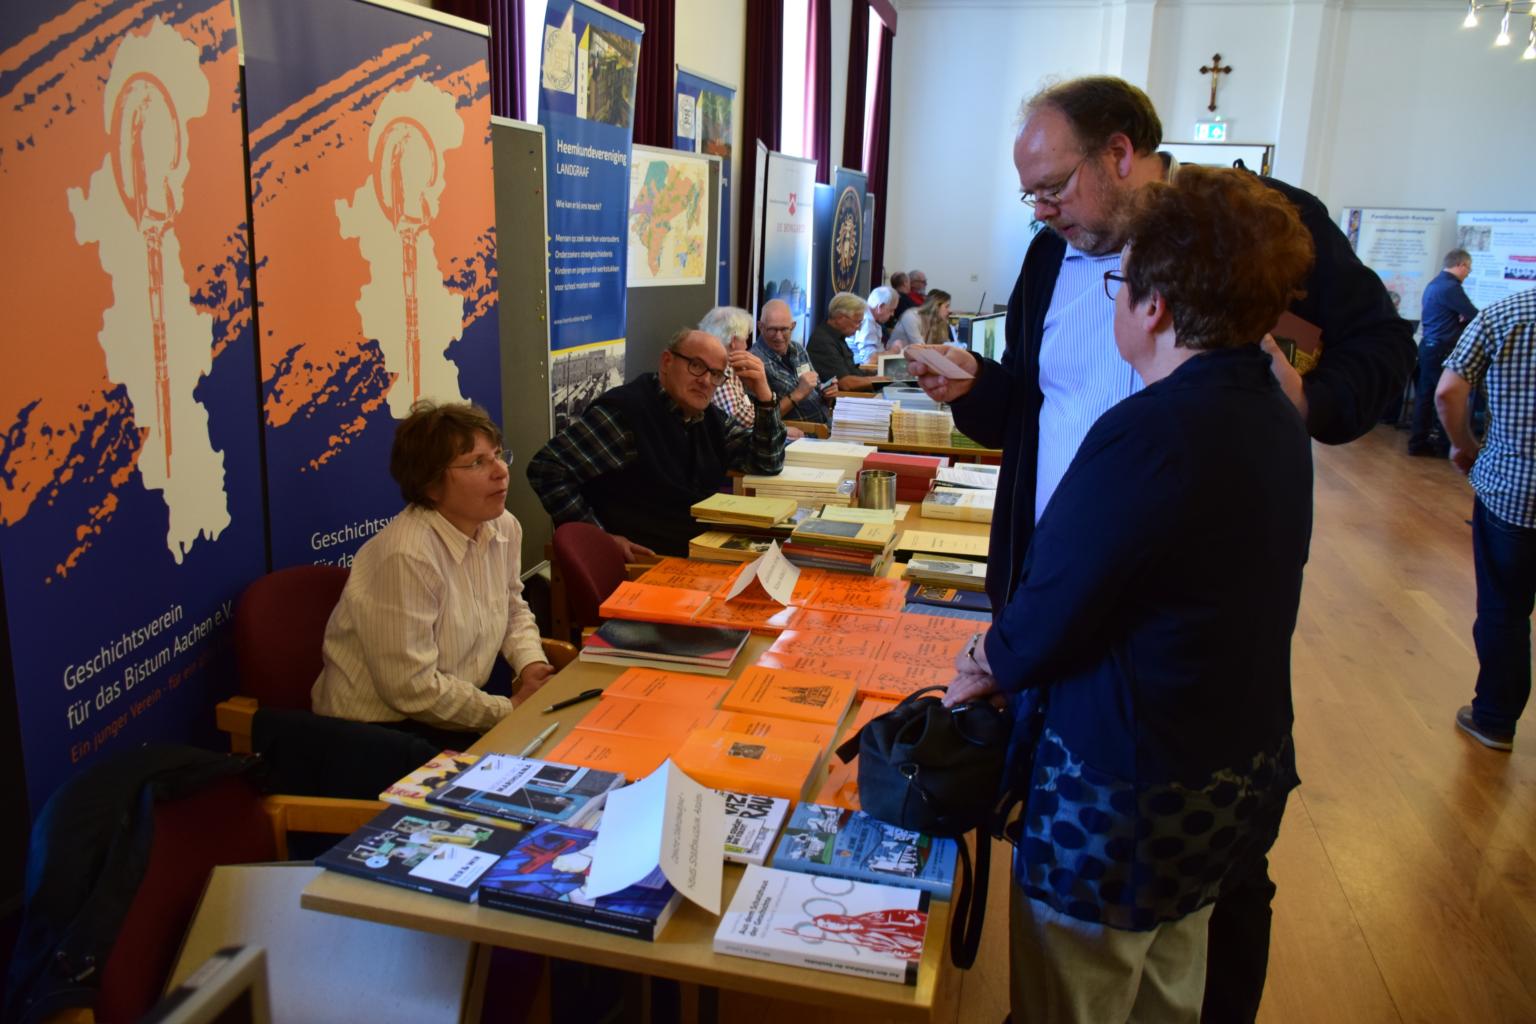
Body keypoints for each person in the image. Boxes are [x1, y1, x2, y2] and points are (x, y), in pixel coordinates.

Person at [908, 76, 1414, 1023]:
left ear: (1122, 154)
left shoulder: (1255, 229)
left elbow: (1384, 353)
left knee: (1154, 904)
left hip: (1172, 637)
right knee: (1145, 899)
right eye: (1030, 193)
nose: (1041, 208)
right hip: (1072, 593)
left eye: (1055, 183)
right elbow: (1039, 406)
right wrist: (979, 387)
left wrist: (1302, 400)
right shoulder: (1048, 255)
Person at [941, 165, 1315, 1024]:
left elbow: (1052, 609)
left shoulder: (1151, 431)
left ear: (1153, 306)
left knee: (1073, 991)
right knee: (1169, 978)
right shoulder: (1266, 409)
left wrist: (980, 661)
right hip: (1228, 764)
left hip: (1127, 786)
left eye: (1119, 283)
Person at [311, 401, 553, 747]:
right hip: (379, 737)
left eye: (499, 455)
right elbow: (411, 687)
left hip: (455, 716)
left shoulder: (504, 527)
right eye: (477, 462)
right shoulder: (406, 555)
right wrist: (507, 709)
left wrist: (532, 666)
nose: (500, 471)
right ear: (430, 485)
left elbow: (513, 608)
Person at [526, 328, 784, 559]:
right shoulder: (626, 414)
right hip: (650, 565)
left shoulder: (708, 418)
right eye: (696, 366)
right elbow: (547, 468)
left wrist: (764, 394)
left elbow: (767, 462)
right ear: (666, 362)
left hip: (700, 551)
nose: (705, 380)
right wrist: (599, 539)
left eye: (716, 374)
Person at [1435, 285, 1536, 753]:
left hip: (1514, 490)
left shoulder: (1507, 313)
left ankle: (1494, 720)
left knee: (1504, 609)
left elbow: (1449, 391)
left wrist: (1463, 444)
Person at [1410, 249, 1477, 456]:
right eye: (1469, 268)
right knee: (1447, 396)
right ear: (1462, 265)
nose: (1469, 273)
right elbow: (1474, 315)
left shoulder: (1435, 284)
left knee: (1425, 396)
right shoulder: (1451, 288)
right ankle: (1443, 446)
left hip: (1429, 346)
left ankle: (1418, 442)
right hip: (1441, 349)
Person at [751, 298, 838, 426]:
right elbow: (761, 422)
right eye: (772, 330)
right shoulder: (754, 361)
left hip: (827, 425)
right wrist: (798, 393)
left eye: (784, 329)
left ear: (793, 326)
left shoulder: (798, 349)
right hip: (800, 436)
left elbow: (818, 390)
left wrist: (829, 394)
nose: (779, 336)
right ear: (760, 326)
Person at [698, 305, 765, 430]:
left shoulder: (730, 366)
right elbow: (745, 420)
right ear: (733, 341)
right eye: (745, 340)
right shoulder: (719, 369)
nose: (746, 346)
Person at [807, 291, 888, 392]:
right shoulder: (822, 342)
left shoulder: (838, 337)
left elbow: (851, 370)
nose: (858, 328)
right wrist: (880, 380)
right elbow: (845, 383)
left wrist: (877, 373)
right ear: (840, 318)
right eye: (857, 322)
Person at [888, 288, 954, 351]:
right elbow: (920, 347)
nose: (949, 310)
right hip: (895, 359)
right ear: (936, 306)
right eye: (946, 306)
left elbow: (946, 345)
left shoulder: (939, 321)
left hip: (914, 357)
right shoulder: (911, 317)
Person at [853, 285, 898, 361]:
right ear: (880, 307)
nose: (892, 314)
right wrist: (894, 351)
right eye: (891, 310)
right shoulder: (867, 321)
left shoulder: (871, 319)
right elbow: (869, 359)